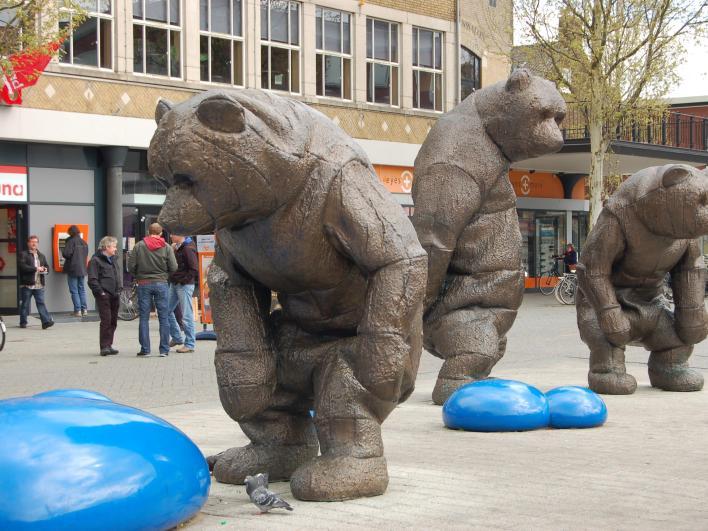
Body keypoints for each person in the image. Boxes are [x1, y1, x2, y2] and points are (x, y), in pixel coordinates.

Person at [128, 223, 177, 357]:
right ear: (161, 233)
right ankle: (164, 350)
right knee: (163, 317)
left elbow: (131, 266)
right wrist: (164, 275)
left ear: (148, 232)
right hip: (161, 283)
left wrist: (138, 275)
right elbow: (173, 267)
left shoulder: (139, 246)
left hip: (143, 283)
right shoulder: (166, 247)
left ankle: (145, 349)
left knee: (144, 317)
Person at [87, 236, 122, 356]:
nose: (116, 249)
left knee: (113, 321)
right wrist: (101, 293)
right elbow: (92, 280)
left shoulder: (113, 260)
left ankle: (109, 345)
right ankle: (104, 346)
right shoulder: (95, 260)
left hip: (115, 294)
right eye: (114, 246)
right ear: (106, 247)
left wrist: (119, 289)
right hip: (104, 295)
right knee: (106, 320)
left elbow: (116, 276)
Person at [168, 234, 198, 353]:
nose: (170, 235)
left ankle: (190, 344)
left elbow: (194, 268)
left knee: (187, 315)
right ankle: (176, 337)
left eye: (173, 233)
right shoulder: (179, 247)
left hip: (183, 285)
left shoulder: (187, 248)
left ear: (181, 235)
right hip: (175, 283)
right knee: (165, 311)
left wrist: (183, 281)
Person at [18, 235, 54, 329]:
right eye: (32, 242)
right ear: (28, 243)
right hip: (27, 284)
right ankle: (23, 322)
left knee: (41, 302)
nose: (34, 243)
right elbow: (22, 267)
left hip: (39, 284)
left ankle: (46, 322)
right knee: (25, 304)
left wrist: (45, 269)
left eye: (36, 242)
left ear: (38, 243)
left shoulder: (41, 255)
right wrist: (36, 268)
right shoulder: (23, 254)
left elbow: (47, 267)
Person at [62, 225, 89, 317]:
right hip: (82, 269)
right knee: (81, 289)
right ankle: (84, 309)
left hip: (73, 269)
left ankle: (77, 310)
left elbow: (66, 254)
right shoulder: (84, 242)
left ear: (70, 232)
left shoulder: (71, 241)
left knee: (74, 290)